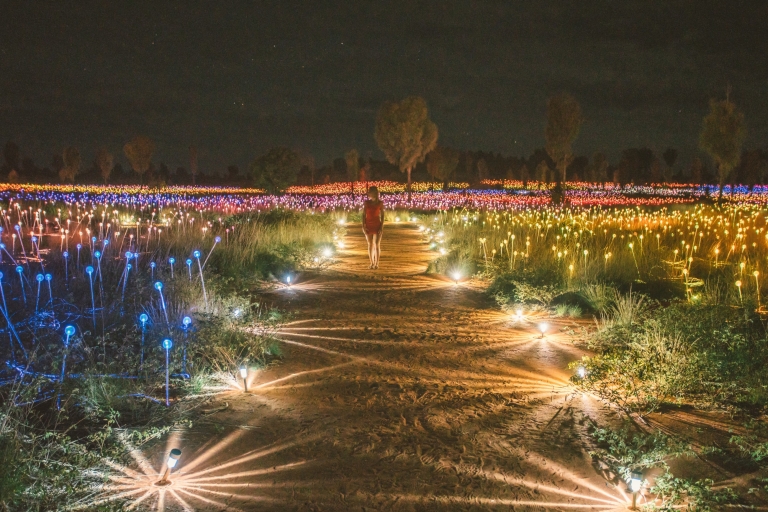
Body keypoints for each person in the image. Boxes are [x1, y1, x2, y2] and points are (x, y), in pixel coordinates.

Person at [362, 186, 384, 269]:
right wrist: (363, 225)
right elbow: (364, 214)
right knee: (370, 244)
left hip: (377, 224)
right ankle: (371, 263)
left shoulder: (380, 203)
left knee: (377, 244)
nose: (368, 193)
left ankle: (376, 263)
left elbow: (382, 215)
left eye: (370, 192)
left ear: (374, 193)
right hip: (368, 225)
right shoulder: (367, 203)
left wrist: (382, 226)